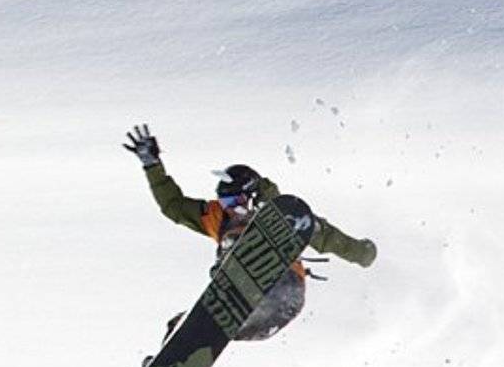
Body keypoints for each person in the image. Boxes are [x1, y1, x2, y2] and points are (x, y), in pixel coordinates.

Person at [123, 123, 376, 341]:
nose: (229, 209)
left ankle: (240, 290)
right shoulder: (219, 217)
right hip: (242, 302)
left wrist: (362, 253)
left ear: (252, 197)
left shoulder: (282, 214)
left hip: (283, 294)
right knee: (181, 323)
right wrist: (152, 164)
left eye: (233, 202)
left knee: (241, 240)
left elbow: (327, 238)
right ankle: (171, 362)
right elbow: (174, 206)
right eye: (223, 202)